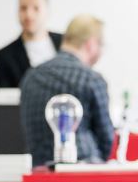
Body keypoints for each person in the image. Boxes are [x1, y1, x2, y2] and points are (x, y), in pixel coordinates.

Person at [19, 14, 113, 167]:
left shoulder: (30, 77)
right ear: (91, 44)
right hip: (84, 174)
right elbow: (106, 140)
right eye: (101, 45)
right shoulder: (92, 79)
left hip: (37, 174)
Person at [0, 0, 62, 88]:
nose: (29, 15)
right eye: (23, 8)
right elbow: (2, 101)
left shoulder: (67, 43)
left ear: (47, 11)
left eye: (36, 8)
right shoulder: (5, 56)